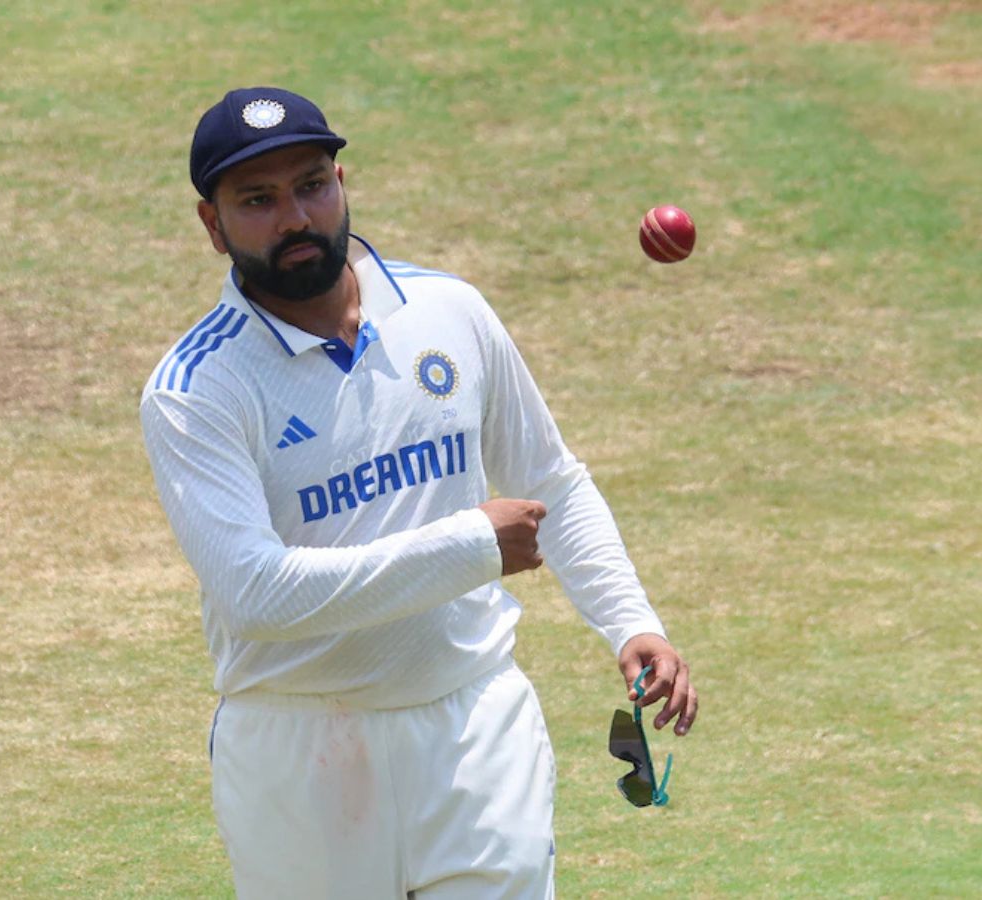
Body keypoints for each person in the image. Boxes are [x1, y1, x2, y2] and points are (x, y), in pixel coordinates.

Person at [140, 86, 698, 899]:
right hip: (300, 754)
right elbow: (254, 593)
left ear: (341, 182)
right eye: (257, 200)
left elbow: (550, 479)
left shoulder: (448, 311)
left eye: (311, 185)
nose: (295, 218)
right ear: (212, 224)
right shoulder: (197, 387)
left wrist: (630, 620)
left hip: (475, 725)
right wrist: (469, 546)